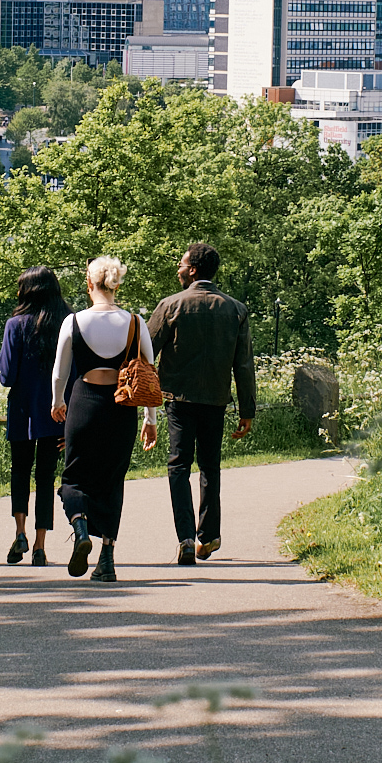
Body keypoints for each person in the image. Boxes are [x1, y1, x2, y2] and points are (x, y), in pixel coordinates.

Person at [50, 255, 157, 584]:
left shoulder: (74, 322)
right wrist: (150, 418)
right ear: (116, 285)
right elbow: (150, 372)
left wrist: (57, 401)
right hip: (122, 410)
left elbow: (59, 372)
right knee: (112, 481)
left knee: (74, 478)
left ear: (89, 284)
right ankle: (106, 560)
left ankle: (80, 525)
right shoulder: (136, 322)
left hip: (83, 405)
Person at [148, 241, 255, 566]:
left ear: (193, 270)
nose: (178, 269)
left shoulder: (170, 306)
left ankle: (185, 539)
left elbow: (146, 350)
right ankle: (209, 536)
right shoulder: (236, 309)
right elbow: (244, 364)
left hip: (179, 400)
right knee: (210, 466)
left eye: (181, 264)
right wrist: (247, 410)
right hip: (216, 400)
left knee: (179, 465)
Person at [0, 266, 70, 566]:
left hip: (23, 410)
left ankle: (20, 531)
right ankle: (40, 545)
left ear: (26, 291)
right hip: (57, 411)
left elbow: (6, 376)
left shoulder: (16, 325)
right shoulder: (67, 322)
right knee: (45, 478)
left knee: (19, 472)